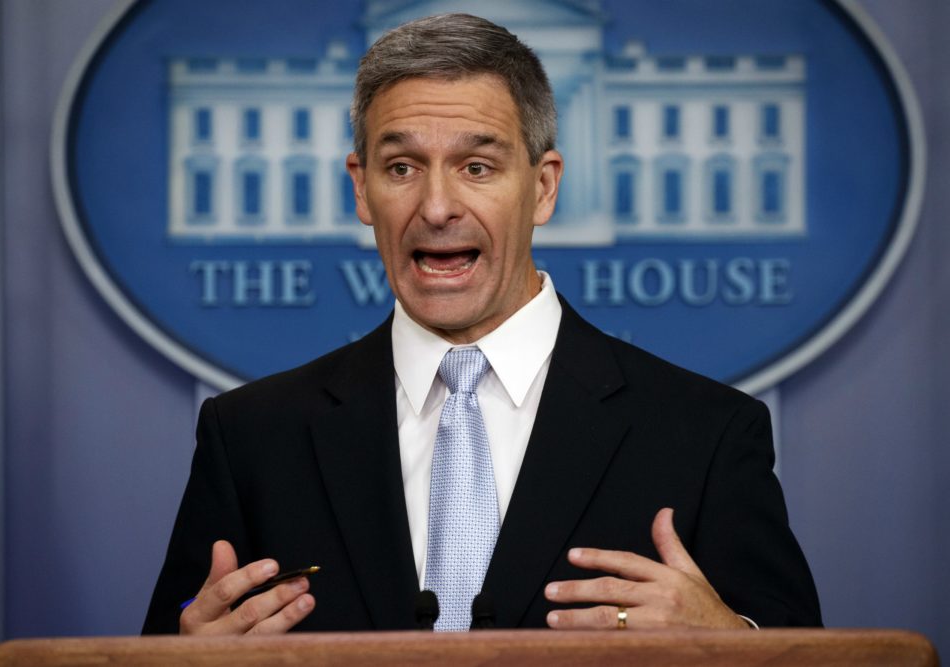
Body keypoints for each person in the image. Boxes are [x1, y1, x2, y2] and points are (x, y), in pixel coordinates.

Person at [143, 13, 821, 635]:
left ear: (544, 186)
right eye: (402, 166)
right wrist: (182, 658)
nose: (437, 206)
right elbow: (170, 639)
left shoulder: (705, 434)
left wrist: (731, 643)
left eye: (477, 166)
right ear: (361, 187)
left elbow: (806, 653)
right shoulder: (252, 438)